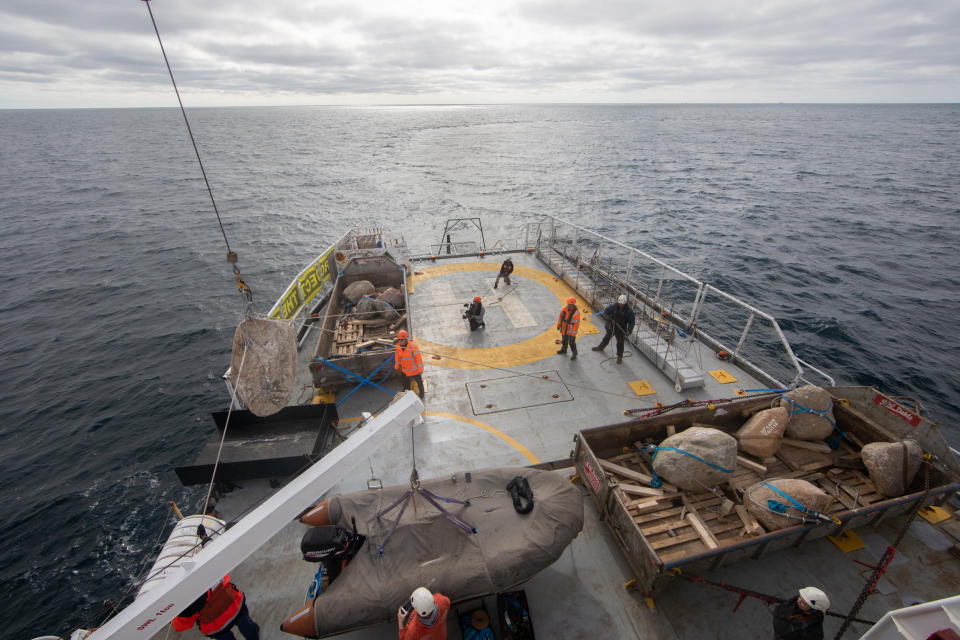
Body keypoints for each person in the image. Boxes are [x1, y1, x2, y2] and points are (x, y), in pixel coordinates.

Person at [172, 575, 260, 640]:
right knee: (247, 626)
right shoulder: (209, 571)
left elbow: (179, 627)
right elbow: (226, 577)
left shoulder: (185, 604)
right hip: (235, 608)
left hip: (215, 627)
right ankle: (254, 636)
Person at [592, 294, 636, 364]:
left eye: (622, 304)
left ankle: (619, 357)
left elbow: (632, 322)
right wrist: (610, 318)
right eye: (620, 303)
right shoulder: (613, 306)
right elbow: (606, 312)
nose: (620, 305)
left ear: (625, 303)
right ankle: (600, 347)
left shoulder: (629, 312)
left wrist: (629, 331)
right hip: (612, 326)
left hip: (621, 328)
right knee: (606, 338)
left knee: (620, 343)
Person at [394, 330, 425, 399]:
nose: (400, 341)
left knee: (419, 382)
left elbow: (418, 358)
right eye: (399, 340)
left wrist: (420, 368)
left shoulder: (413, 346)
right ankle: (406, 391)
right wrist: (397, 365)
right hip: (405, 370)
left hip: (415, 370)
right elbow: (397, 357)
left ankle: (421, 394)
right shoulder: (398, 347)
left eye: (402, 340)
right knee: (405, 382)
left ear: (406, 339)